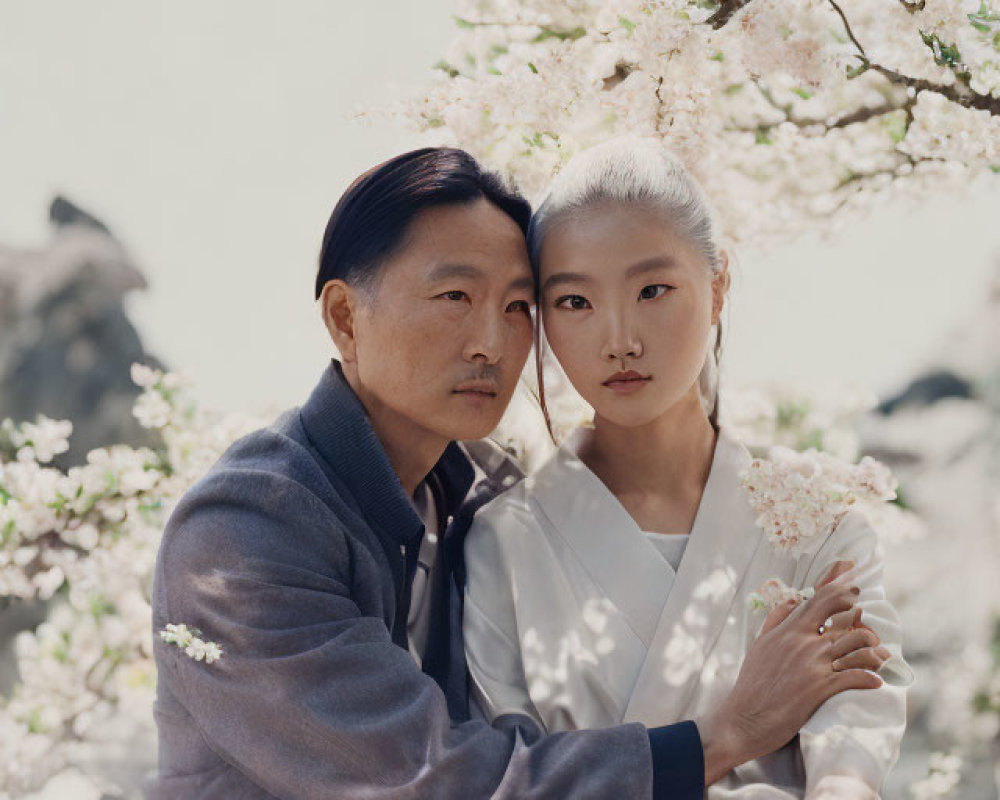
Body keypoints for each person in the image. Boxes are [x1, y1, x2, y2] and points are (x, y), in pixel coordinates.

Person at [148, 147, 885, 799]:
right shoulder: (247, 529)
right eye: (455, 298)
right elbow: (428, 777)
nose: (493, 343)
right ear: (345, 318)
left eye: (518, 306)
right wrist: (728, 734)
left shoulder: (477, 489)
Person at [463, 138, 913, 798]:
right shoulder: (504, 542)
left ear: (718, 285)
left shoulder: (814, 517)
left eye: (653, 289)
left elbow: (857, 724)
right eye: (575, 303)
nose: (620, 339)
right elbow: (511, 779)